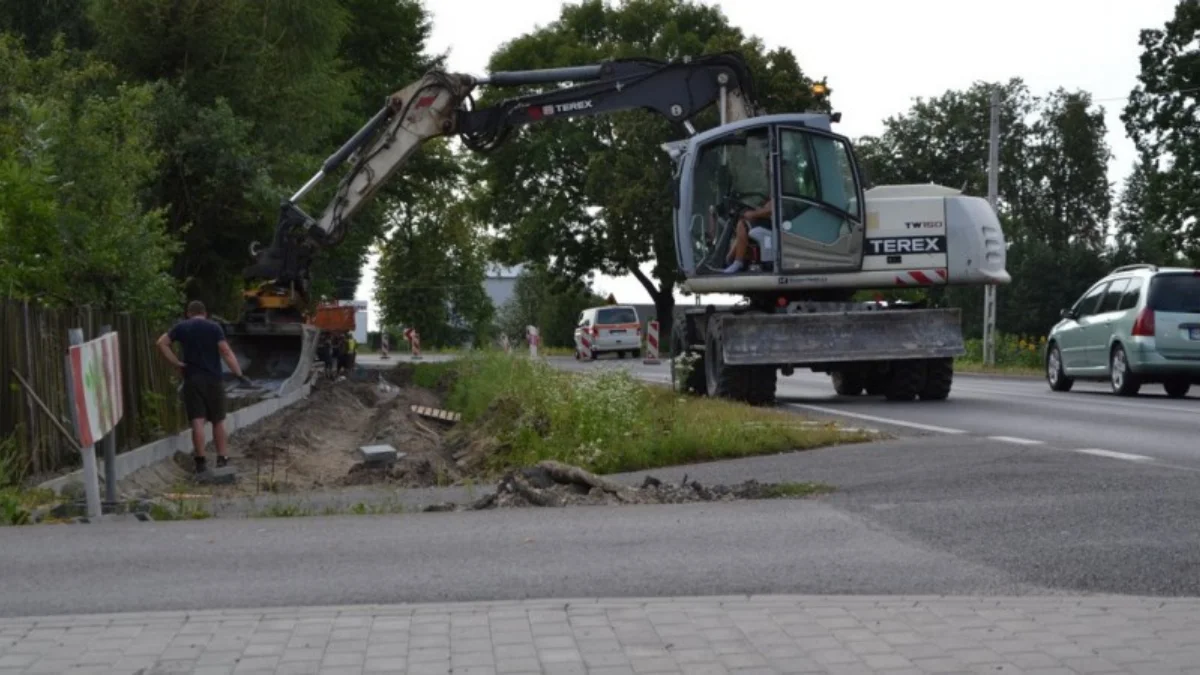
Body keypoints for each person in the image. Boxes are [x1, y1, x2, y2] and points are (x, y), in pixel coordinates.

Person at [156, 300, 249, 474]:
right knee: (218, 420)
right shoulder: (214, 328)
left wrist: (176, 363)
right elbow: (226, 351)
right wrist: (238, 373)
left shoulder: (181, 327)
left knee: (197, 421)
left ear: (189, 313)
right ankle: (222, 459)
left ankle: (200, 462)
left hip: (192, 379)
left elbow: (161, 343)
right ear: (204, 313)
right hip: (214, 379)